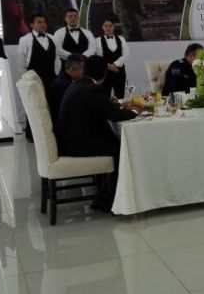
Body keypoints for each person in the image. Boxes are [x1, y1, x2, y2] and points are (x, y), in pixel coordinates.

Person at [55, 56, 140, 211]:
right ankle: (109, 200)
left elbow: (99, 107)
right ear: (103, 74)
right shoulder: (92, 89)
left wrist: (109, 103)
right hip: (76, 145)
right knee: (120, 148)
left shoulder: (79, 84)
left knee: (115, 140)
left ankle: (107, 193)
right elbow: (115, 115)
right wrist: (135, 111)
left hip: (67, 140)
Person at [18, 13, 58, 140]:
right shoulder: (25, 40)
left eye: (44, 22)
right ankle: (31, 135)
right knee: (34, 106)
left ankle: (51, 133)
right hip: (34, 78)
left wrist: (56, 75)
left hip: (51, 77)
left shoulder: (52, 38)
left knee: (52, 105)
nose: (43, 24)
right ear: (32, 25)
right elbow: (21, 62)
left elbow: (56, 58)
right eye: (39, 22)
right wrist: (27, 79)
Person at [95, 17, 130, 99]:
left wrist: (115, 64)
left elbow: (126, 54)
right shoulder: (97, 40)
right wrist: (108, 66)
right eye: (106, 26)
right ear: (102, 27)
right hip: (104, 73)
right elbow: (97, 57)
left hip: (119, 72)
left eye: (110, 25)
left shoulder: (121, 39)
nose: (108, 28)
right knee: (105, 96)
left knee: (120, 96)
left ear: (114, 27)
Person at [47, 53, 85, 123]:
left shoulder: (63, 78)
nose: (83, 72)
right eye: (82, 68)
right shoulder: (65, 85)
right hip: (63, 124)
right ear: (72, 69)